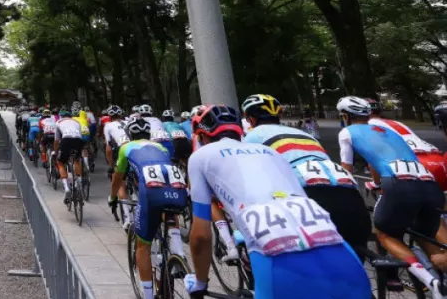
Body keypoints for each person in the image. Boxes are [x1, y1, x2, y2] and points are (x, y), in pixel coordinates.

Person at [183, 104, 369, 299]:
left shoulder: (199, 156)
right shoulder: (270, 152)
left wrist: (200, 283)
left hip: (275, 257)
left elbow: (201, 236)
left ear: (202, 136)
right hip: (336, 247)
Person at [337, 96, 447, 297]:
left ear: (345, 116)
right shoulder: (388, 131)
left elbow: (347, 170)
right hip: (430, 183)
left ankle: (431, 282)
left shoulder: (347, 132)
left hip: (399, 184)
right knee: (427, 237)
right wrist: (377, 182)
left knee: (385, 233)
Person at [242, 94, 371, 259]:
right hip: (349, 192)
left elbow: (254, 178)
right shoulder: (304, 134)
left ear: (251, 119)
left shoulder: (252, 137)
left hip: (310, 195)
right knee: (355, 256)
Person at [108, 118, 187, 299]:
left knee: (143, 246)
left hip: (150, 191)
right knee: (169, 210)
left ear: (131, 134)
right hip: (176, 185)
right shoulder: (160, 147)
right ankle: (178, 253)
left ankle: (149, 295)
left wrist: (112, 198)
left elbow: (117, 178)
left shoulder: (126, 148)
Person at [367, 98, 447, 190]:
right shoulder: (396, 123)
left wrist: (376, 183)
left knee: (394, 199)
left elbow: (373, 160)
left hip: (414, 165)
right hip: (439, 161)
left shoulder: (366, 126)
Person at [53, 109, 85, 204]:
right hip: (78, 141)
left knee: (60, 163)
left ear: (61, 116)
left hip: (66, 140)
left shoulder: (58, 122)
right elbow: (80, 135)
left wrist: (55, 152)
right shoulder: (76, 122)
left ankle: (66, 188)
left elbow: (56, 141)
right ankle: (78, 183)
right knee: (76, 160)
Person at [103, 106, 126, 172]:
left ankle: (111, 167)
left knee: (117, 173)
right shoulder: (128, 122)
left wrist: (111, 166)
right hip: (133, 147)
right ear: (121, 115)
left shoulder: (108, 125)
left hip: (121, 149)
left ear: (109, 116)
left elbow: (108, 147)